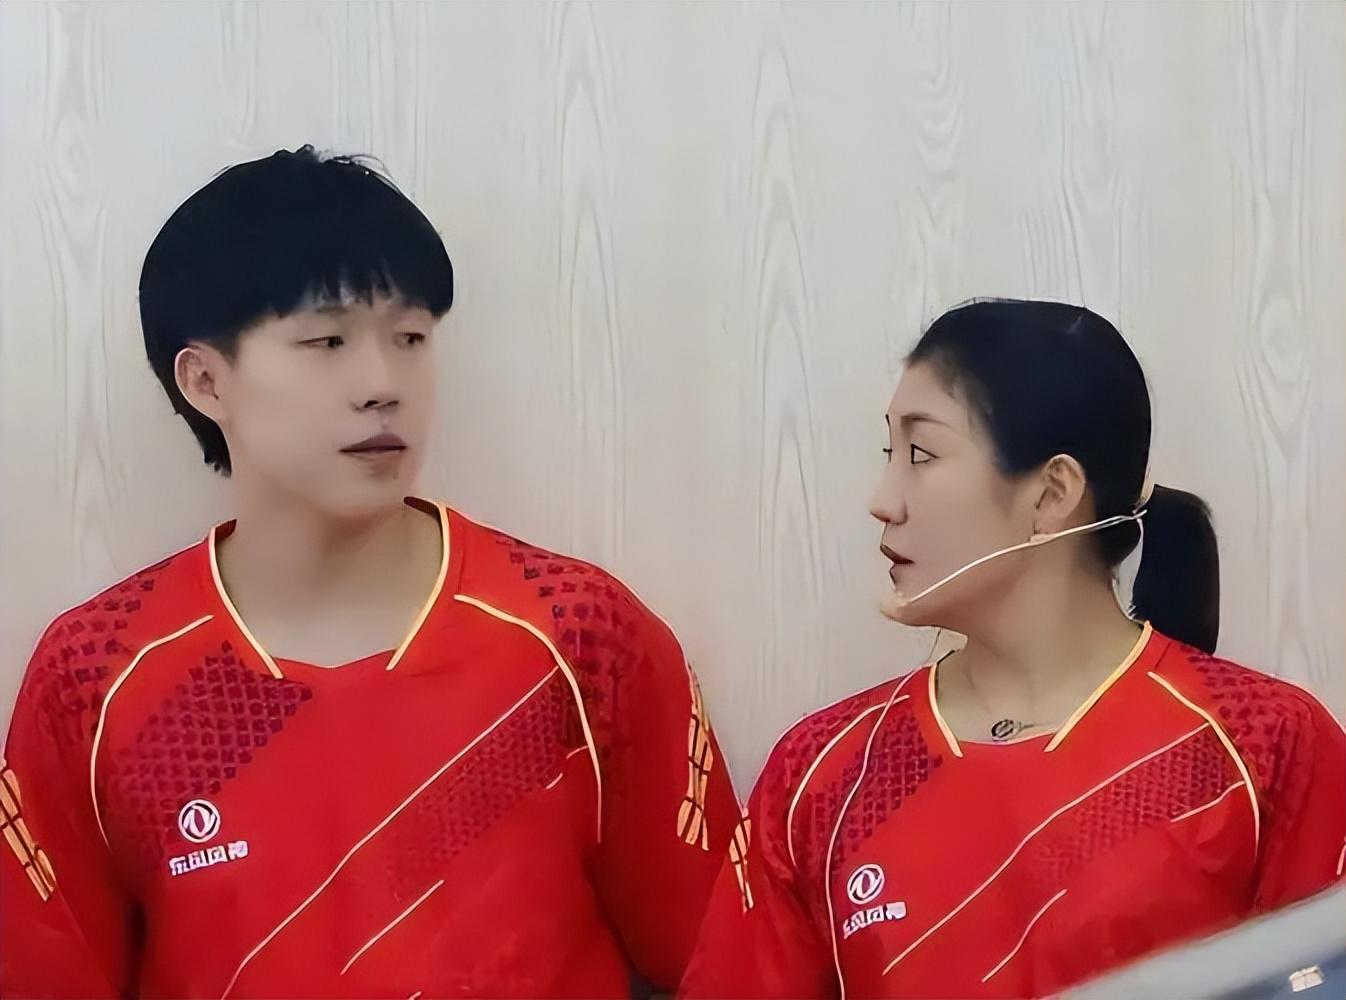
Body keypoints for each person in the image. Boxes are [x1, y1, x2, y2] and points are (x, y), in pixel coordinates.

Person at [0, 146, 739, 999]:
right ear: (205, 381)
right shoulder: (98, 673)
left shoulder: (577, 635)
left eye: (411, 337)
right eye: (327, 340)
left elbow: (731, 963)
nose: (384, 384)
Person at [679, 299, 1346, 999]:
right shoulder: (821, 773)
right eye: (889, 454)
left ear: (1053, 492)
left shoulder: (1265, 744)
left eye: (922, 455)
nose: (883, 500)